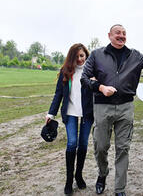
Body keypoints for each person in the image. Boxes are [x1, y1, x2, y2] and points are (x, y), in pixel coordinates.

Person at [81, 24, 143, 196]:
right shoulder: (97, 55)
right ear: (109, 35)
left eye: (124, 33)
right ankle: (102, 174)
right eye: (118, 33)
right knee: (101, 146)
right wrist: (100, 88)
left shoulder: (135, 55)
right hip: (102, 106)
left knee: (123, 148)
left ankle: (119, 189)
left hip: (126, 107)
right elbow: (84, 78)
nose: (121, 36)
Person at [45, 43, 93, 195]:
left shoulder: (92, 71)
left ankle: (79, 176)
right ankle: (68, 180)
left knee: (83, 144)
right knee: (72, 143)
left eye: (82, 56)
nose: (79, 59)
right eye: (76, 56)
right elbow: (58, 93)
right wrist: (51, 113)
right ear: (71, 57)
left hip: (87, 114)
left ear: (86, 55)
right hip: (70, 113)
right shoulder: (66, 71)